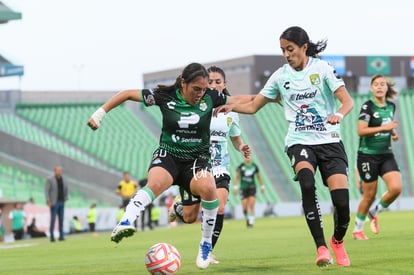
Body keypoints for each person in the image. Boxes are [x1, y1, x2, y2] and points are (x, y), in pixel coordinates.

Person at [215, 26, 354, 267]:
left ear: (304, 47)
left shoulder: (322, 69)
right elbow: (254, 105)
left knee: (342, 204)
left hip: (330, 141)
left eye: (290, 49)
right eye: (282, 50)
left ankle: (337, 241)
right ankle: (321, 247)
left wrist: (339, 116)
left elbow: (347, 101)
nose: (286, 54)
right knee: (307, 182)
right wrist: (232, 107)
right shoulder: (280, 76)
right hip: (299, 141)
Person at [87, 62, 242, 269]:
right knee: (155, 184)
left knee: (206, 192)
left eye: (204, 89)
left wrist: (269, 98)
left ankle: (205, 244)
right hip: (169, 155)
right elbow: (126, 94)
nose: (201, 93)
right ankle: (125, 222)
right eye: (197, 89)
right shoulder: (164, 97)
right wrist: (100, 114)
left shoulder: (211, 97)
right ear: (184, 83)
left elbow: (245, 101)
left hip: (195, 161)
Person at [167, 65, 252, 265]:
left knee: (220, 207)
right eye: (210, 82)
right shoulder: (196, 107)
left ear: (224, 84)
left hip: (220, 166)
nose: (213, 85)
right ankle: (180, 206)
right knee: (189, 217)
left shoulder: (232, 112)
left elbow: (235, 139)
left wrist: (242, 147)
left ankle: (207, 250)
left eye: (217, 82)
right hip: (197, 167)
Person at [352, 75, 402, 241]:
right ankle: (357, 229)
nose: (379, 87)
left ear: (387, 88)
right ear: (371, 89)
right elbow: (361, 130)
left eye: (382, 84)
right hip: (368, 155)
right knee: (369, 195)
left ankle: (375, 212)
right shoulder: (368, 107)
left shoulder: (391, 107)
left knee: (396, 188)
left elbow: (388, 124)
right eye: (376, 85)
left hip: (386, 154)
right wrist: (385, 127)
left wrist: (392, 133)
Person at [233, 157, 265, 228]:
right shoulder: (241, 166)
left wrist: (262, 186)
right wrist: (235, 187)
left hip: (252, 188)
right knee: (244, 208)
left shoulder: (254, 166)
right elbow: (237, 177)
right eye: (246, 157)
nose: (248, 158)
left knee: (251, 205)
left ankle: (251, 222)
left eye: (249, 157)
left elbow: (259, 176)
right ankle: (247, 218)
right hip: (243, 188)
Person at [45, 165, 68, 242]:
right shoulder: (50, 179)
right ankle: (52, 236)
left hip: (62, 201)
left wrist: (66, 197)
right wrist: (48, 200)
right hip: (54, 202)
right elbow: (47, 190)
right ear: (54, 171)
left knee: (61, 220)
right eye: (58, 170)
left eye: (60, 170)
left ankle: (61, 235)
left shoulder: (64, 179)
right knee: (53, 219)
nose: (59, 172)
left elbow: (66, 188)